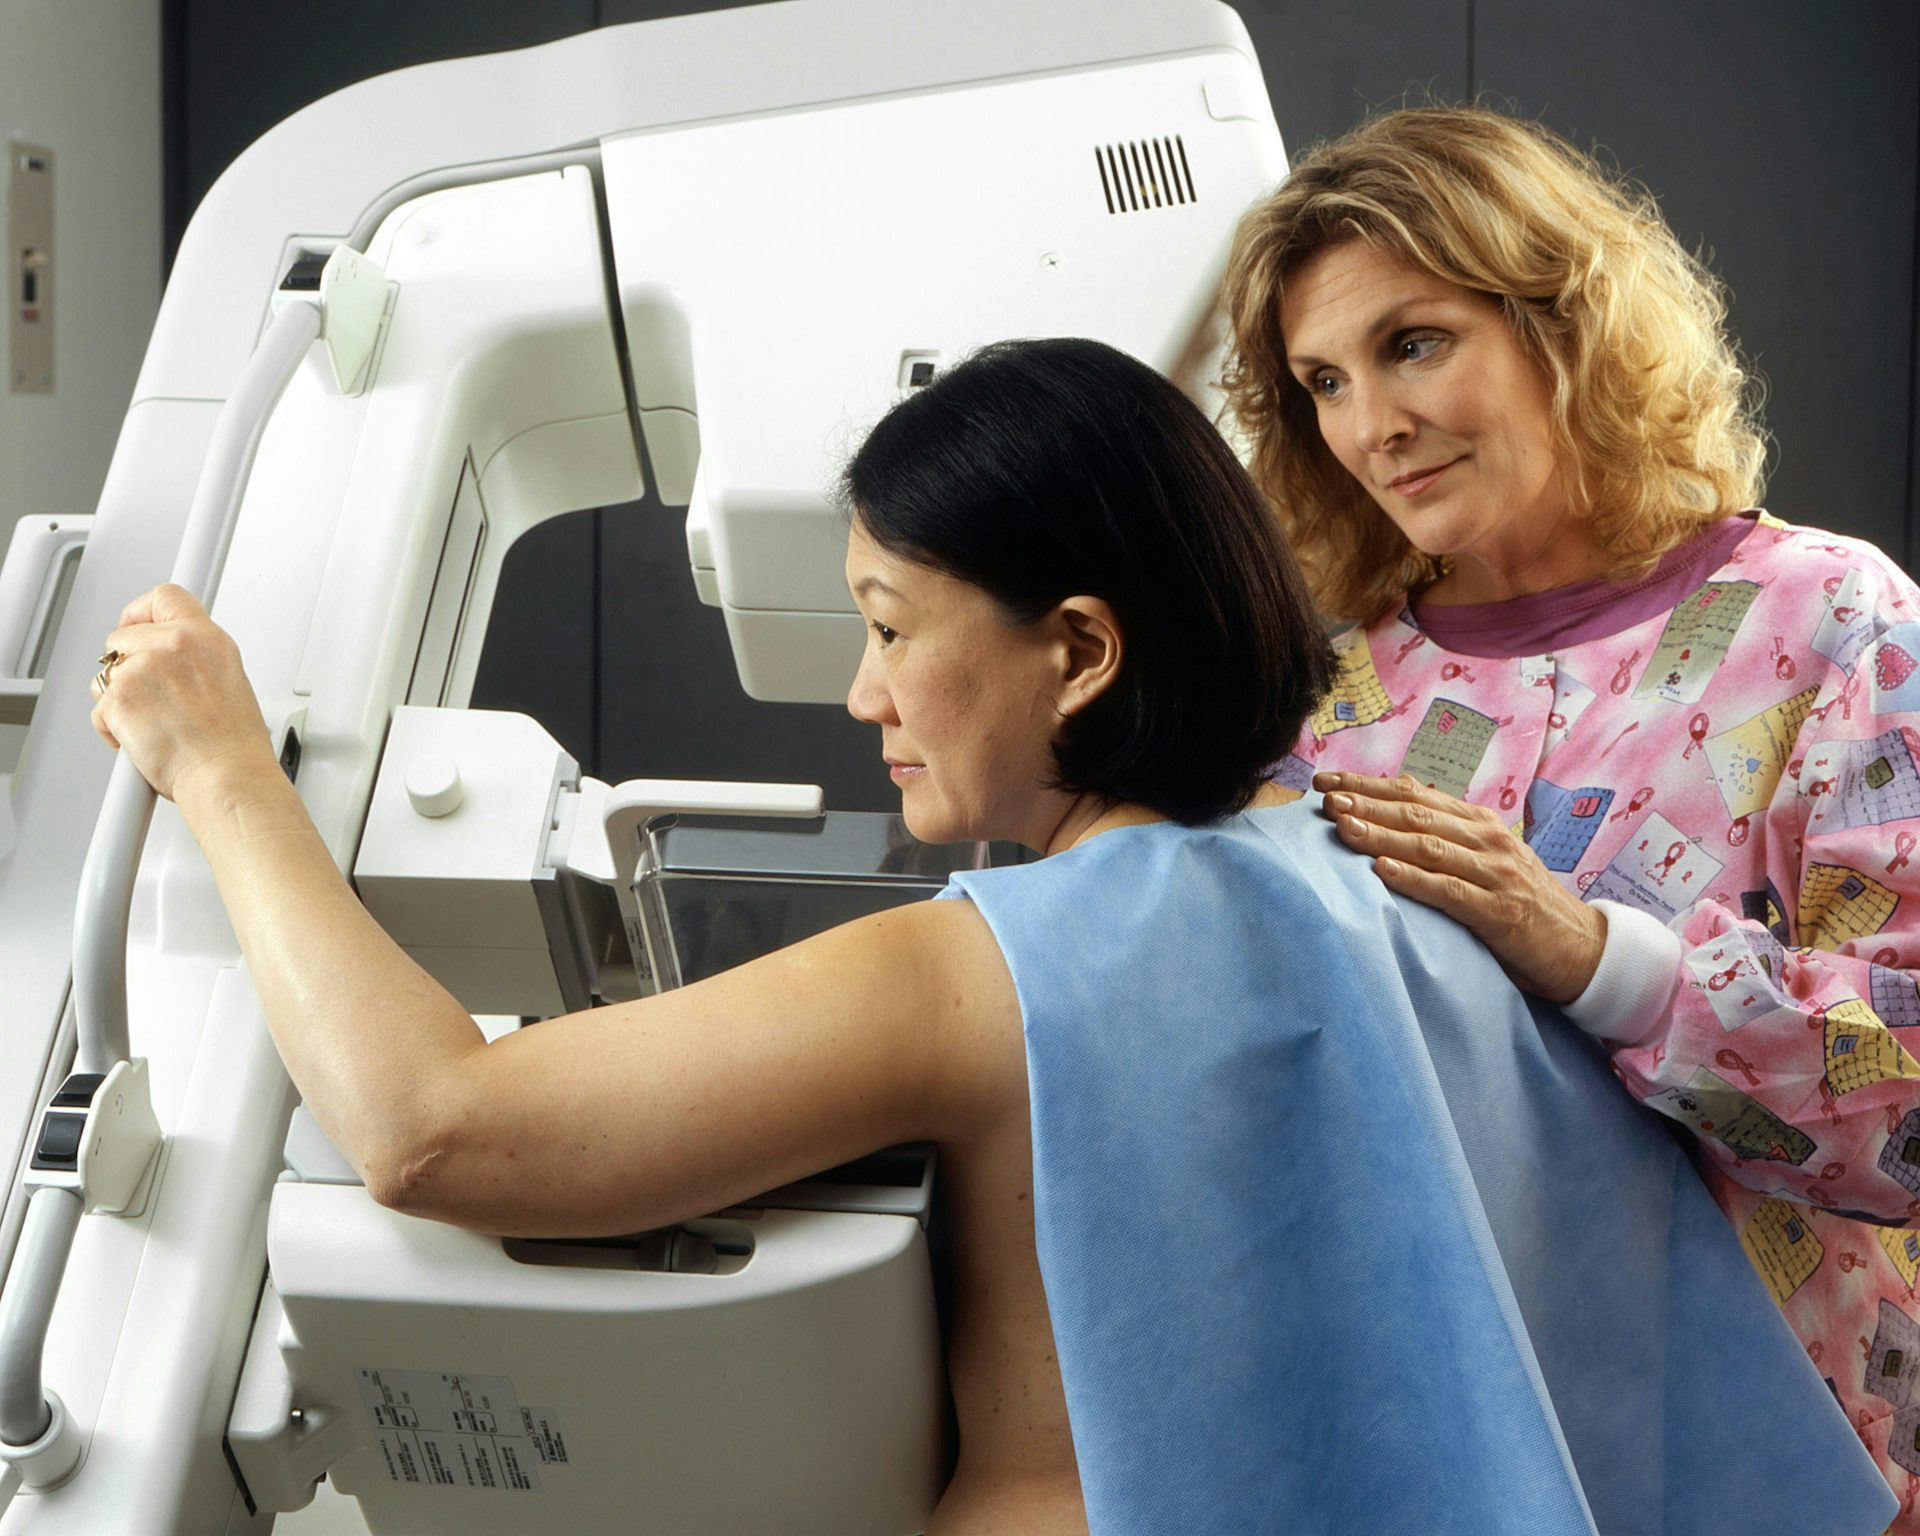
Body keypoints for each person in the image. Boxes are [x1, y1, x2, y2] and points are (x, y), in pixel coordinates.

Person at [88, 339, 1891, 1534]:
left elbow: (432, 1129)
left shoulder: (989, 971)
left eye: (888, 623)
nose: (862, 692)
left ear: (1081, 652)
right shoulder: (1417, 892)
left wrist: (221, 767)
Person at [1223, 103, 1920, 1518]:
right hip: (1440, 1461)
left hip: (1790, 1464)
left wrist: (1598, 960)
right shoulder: (1325, 694)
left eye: (1414, 342)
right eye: (1323, 382)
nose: (1374, 425)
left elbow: (1906, 1101)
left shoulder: (1836, 622)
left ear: (1568, 322)